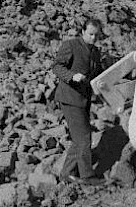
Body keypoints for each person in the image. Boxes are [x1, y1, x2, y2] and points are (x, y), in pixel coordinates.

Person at [52, 18, 106, 185]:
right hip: (69, 98)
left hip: (84, 100)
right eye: (90, 34)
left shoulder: (96, 52)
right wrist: (72, 76)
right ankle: (87, 176)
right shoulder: (71, 45)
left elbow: (98, 74)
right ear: (83, 31)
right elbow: (57, 66)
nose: (93, 38)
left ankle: (66, 173)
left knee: (79, 138)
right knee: (84, 138)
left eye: (96, 35)